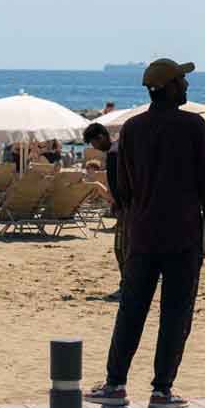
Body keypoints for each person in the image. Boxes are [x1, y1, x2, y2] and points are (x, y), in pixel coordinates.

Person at [86, 59, 205, 408]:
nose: (188, 86)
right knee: (176, 312)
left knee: (132, 308)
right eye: (183, 80)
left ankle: (115, 383)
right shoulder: (193, 127)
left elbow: (125, 186)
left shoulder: (132, 129)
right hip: (183, 234)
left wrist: (137, 213)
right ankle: (162, 390)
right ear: (170, 87)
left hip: (143, 233)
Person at [84, 122, 125, 299]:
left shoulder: (115, 154)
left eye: (94, 144)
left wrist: (117, 203)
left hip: (126, 208)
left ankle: (127, 286)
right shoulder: (119, 149)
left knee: (121, 248)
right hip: (129, 206)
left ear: (101, 137)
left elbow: (119, 183)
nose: (95, 149)